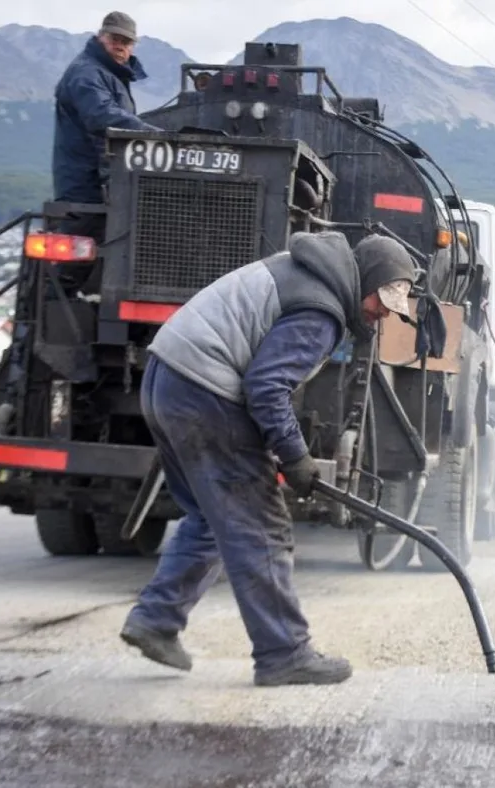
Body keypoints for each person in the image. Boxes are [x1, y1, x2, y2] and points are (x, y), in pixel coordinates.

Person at [119, 231, 417, 686]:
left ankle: (156, 621)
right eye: (381, 302)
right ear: (368, 282)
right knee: (262, 526)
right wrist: (295, 457)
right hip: (205, 390)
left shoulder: (302, 270)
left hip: (166, 378)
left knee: (209, 517)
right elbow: (266, 387)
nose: (379, 316)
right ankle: (284, 653)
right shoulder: (322, 310)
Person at [51, 11, 162, 238]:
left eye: (127, 42)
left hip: (103, 184)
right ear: (101, 37)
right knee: (79, 265)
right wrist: (157, 136)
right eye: (115, 39)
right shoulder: (86, 73)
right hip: (85, 187)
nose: (120, 46)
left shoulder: (109, 74)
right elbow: (102, 116)